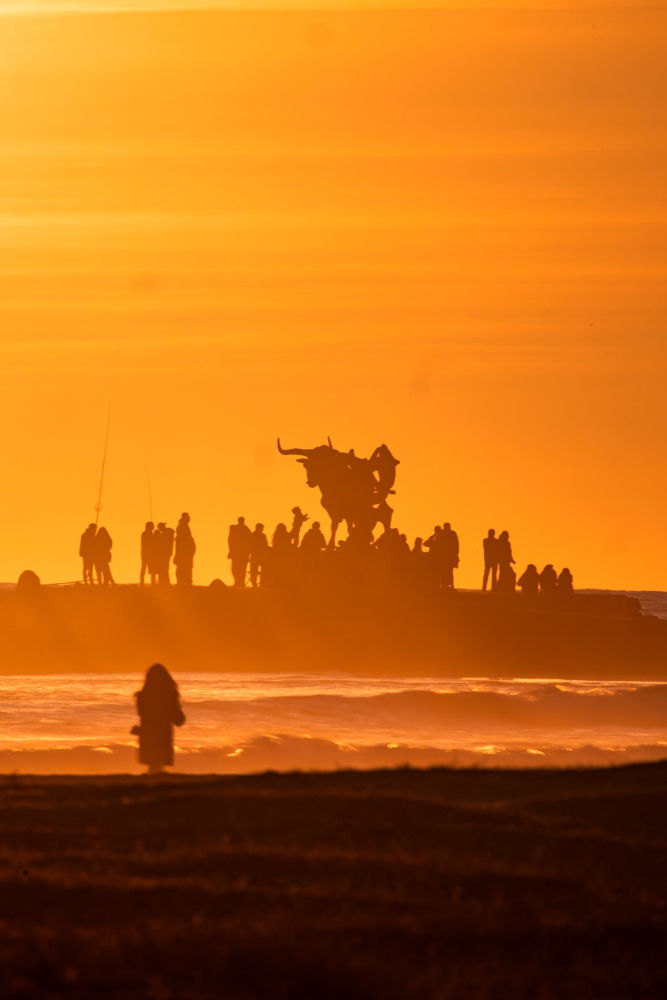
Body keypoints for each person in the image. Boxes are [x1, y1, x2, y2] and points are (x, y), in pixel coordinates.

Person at [133, 663, 185, 775]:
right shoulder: (168, 696)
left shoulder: (142, 696)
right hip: (162, 735)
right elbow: (178, 719)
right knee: (158, 769)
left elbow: (143, 716)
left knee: (153, 768)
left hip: (148, 736)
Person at [228, 516, 252, 587]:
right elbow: (230, 540)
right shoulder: (237, 528)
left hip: (242, 553)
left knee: (240, 568)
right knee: (236, 568)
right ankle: (238, 582)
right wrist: (231, 551)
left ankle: (240, 582)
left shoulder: (246, 529)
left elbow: (249, 542)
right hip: (237, 553)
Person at [174, 513, 196, 586]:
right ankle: (182, 582)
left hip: (186, 552)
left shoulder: (184, 526)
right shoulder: (182, 527)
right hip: (183, 552)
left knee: (185, 567)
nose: (189, 518)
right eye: (187, 517)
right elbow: (183, 540)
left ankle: (186, 582)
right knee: (182, 567)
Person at [249, 523, 269, 587]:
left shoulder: (254, 535)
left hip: (258, 555)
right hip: (258, 555)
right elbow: (265, 545)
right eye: (262, 528)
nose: (262, 529)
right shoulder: (259, 535)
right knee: (255, 570)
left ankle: (257, 583)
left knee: (255, 570)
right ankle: (257, 583)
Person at [440, 522, 459, 590]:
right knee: (450, 571)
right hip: (450, 556)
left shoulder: (442, 533)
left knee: (444, 571)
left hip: (444, 556)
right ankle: (450, 585)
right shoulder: (453, 533)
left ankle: (444, 585)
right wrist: (456, 554)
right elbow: (456, 545)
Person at [140, 521, 156, 586]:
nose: (153, 527)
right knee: (147, 567)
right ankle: (150, 582)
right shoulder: (147, 534)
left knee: (148, 567)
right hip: (147, 553)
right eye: (152, 526)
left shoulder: (145, 534)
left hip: (146, 553)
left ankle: (145, 582)